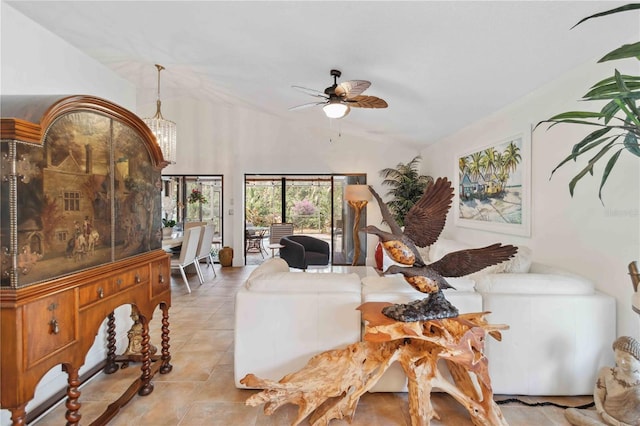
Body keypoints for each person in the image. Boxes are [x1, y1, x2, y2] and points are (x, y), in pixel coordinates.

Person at [566, 336, 640, 426]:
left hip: (630, 423)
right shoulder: (606, 372)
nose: (622, 361)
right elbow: (598, 396)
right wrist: (603, 413)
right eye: (618, 356)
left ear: (638, 360)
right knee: (570, 412)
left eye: (627, 359)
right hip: (605, 418)